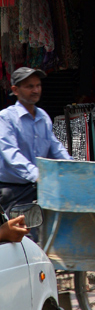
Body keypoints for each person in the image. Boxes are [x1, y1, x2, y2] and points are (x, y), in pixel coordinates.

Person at [0, 68, 72, 214]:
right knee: (19, 235)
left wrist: (73, 167)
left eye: (38, 85)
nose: (36, 90)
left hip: (38, 188)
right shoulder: (6, 118)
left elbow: (55, 147)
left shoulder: (43, 117)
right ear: (15, 90)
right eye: (29, 86)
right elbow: (11, 154)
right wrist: (37, 174)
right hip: (13, 192)